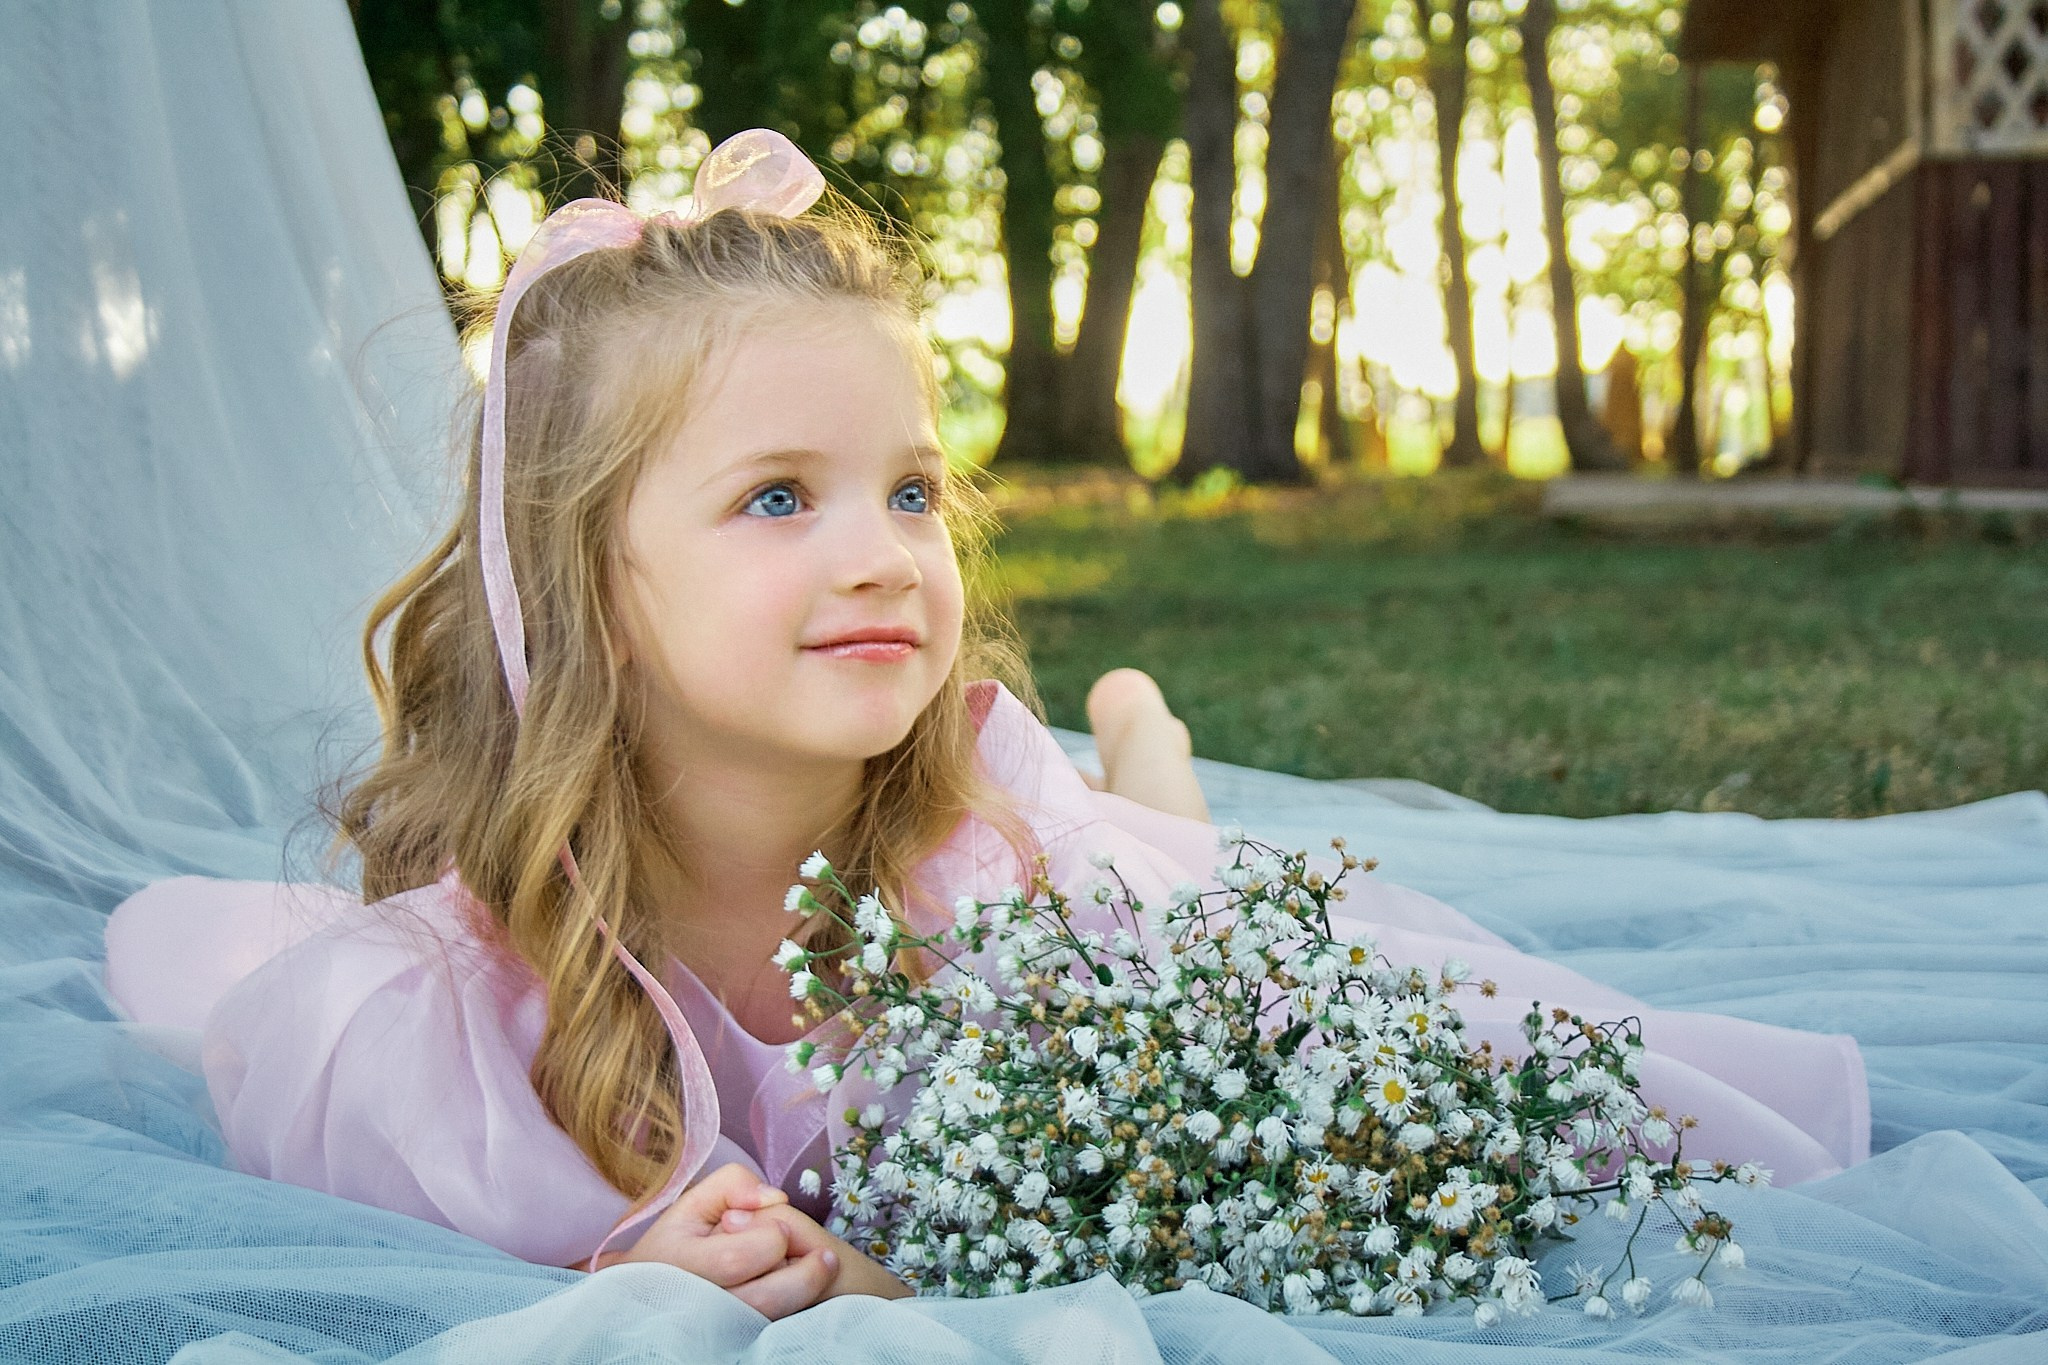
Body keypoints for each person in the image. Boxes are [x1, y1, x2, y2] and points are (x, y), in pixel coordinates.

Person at [102, 130, 1867, 1323]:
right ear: (591, 594)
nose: (881, 554)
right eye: (779, 499)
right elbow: (440, 1169)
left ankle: (1139, 743)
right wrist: (639, 1234)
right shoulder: (459, 988)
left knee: (1178, 855)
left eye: (914, 492)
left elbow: (1122, 1158)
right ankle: (1141, 749)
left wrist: (885, 1264)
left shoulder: (1009, 890)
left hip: (1059, 844)